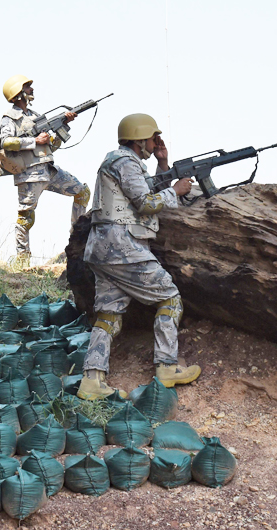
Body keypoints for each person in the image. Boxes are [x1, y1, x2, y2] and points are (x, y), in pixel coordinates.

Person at [77, 113, 201, 400]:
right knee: (169, 298)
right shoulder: (125, 162)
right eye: (152, 137)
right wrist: (176, 191)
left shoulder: (123, 161)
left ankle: (92, 381)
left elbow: (146, 188)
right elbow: (146, 203)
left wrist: (162, 162)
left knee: (108, 315)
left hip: (103, 247)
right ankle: (167, 367)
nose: (155, 141)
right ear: (139, 138)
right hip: (121, 246)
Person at [0, 74, 90, 263]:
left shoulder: (35, 116)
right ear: (18, 94)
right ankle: (22, 261)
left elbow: (50, 147)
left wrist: (63, 125)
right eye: (27, 88)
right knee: (25, 216)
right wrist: (34, 140)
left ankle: (76, 243)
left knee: (82, 192)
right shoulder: (10, 118)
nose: (31, 90)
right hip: (30, 174)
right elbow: (5, 142)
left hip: (49, 170)